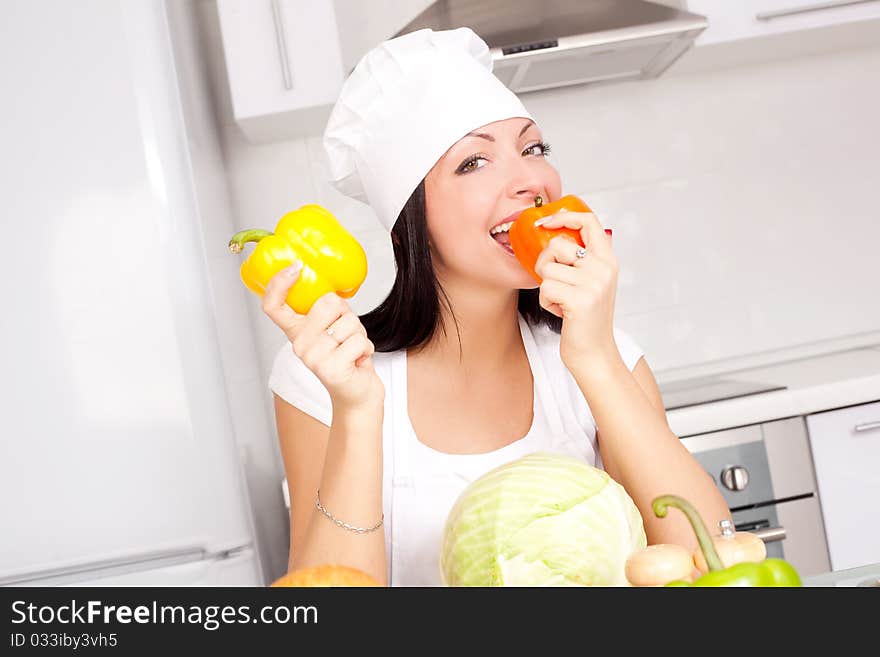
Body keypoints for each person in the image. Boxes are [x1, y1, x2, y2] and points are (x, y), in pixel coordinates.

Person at [264, 28, 730, 586]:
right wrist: (359, 412)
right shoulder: (324, 378)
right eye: (474, 162)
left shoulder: (600, 353)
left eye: (533, 149)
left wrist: (598, 358)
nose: (531, 181)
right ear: (411, 217)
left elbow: (717, 567)